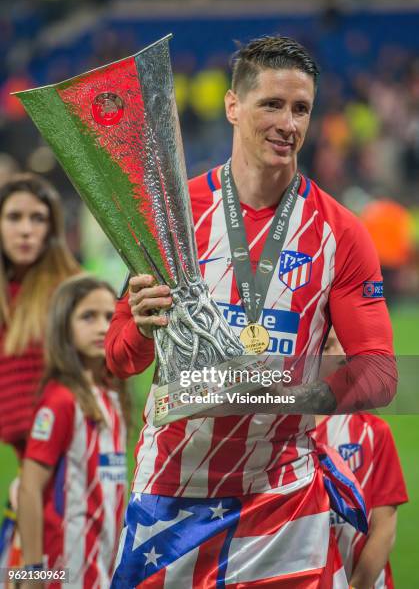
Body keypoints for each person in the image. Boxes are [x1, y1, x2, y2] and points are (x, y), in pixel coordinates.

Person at [106, 36, 396, 587]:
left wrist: (277, 393)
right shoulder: (172, 213)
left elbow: (381, 373)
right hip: (171, 494)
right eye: (272, 104)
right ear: (232, 106)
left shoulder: (340, 232)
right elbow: (120, 359)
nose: (289, 123)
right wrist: (142, 331)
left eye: (301, 108)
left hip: (282, 501)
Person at [18, 274, 129, 588]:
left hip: (103, 561)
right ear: (63, 327)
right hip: (63, 568)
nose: (102, 327)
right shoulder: (60, 401)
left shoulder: (112, 397)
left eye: (110, 316)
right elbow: (29, 487)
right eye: (88, 317)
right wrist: (32, 572)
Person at [0, 173, 79, 578]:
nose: (26, 229)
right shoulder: (7, 293)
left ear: (52, 227)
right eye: (14, 217)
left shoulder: (66, 290)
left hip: (66, 458)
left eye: (38, 218)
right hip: (27, 461)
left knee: (46, 571)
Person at [315, 330, 408, 589]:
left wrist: (357, 585)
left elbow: (384, 526)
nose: (342, 356)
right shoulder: (278, 434)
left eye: (343, 346)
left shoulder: (372, 433)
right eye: (328, 346)